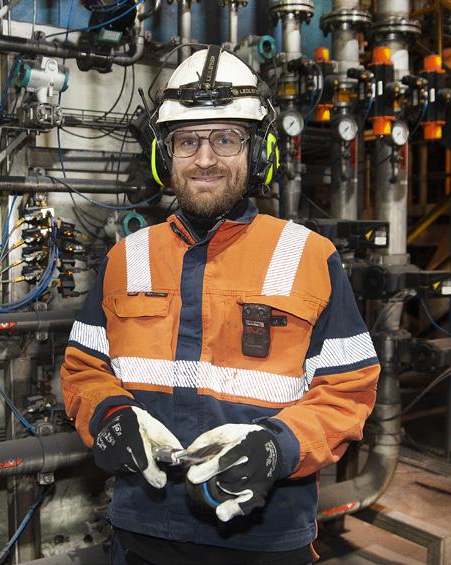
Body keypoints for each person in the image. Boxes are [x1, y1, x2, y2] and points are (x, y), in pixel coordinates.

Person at [61, 46, 381, 565]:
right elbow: (84, 371)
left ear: (259, 153)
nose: (205, 159)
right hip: (143, 535)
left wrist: (279, 447)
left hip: (265, 540)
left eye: (226, 138)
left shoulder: (308, 256)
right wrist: (109, 414)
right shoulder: (126, 258)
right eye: (187, 141)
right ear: (164, 156)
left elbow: (348, 393)